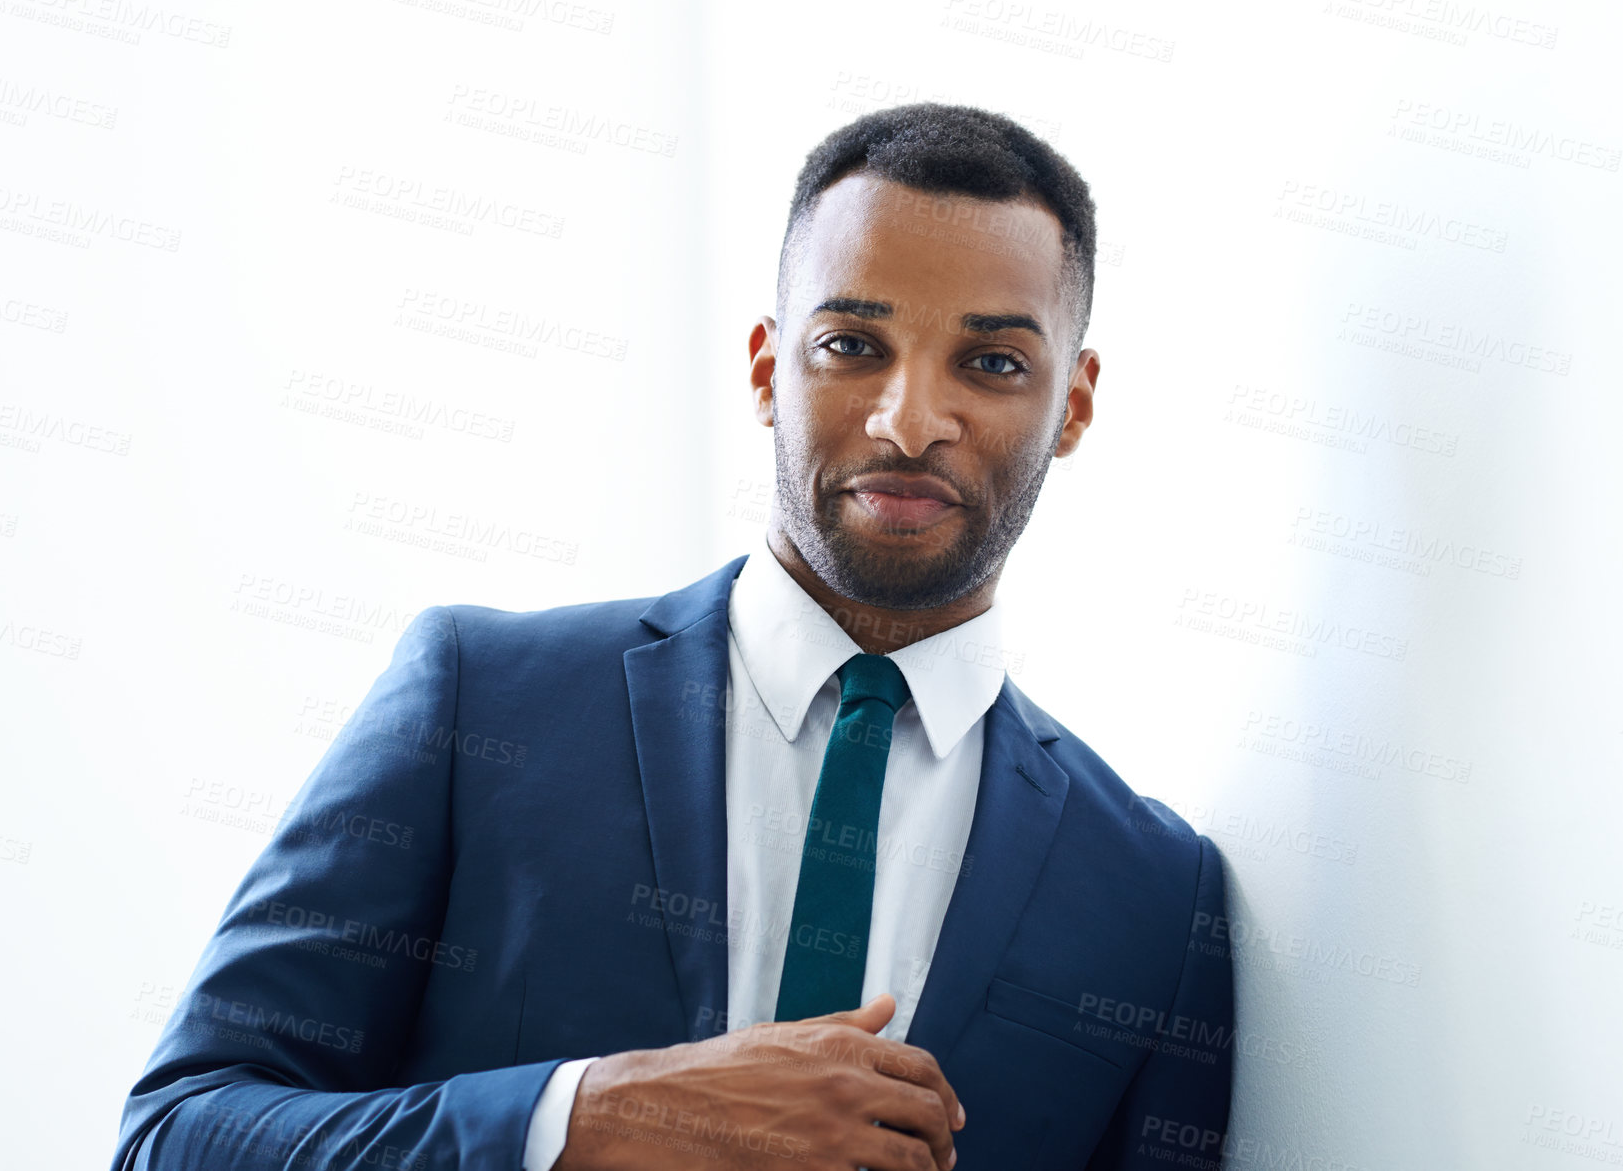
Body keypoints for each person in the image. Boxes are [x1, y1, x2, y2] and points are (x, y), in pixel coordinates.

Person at [111, 103, 1234, 1171]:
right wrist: (586, 1120)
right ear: (766, 369)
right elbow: (179, 1134)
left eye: (991, 363)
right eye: (851, 344)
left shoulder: (1149, 891)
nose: (908, 421)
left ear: (1074, 405)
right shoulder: (483, 700)